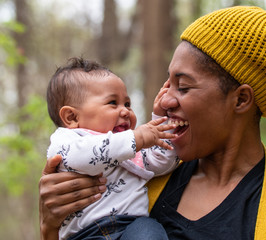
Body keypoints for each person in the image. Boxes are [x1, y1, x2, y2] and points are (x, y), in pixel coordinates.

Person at [39, 6, 266, 240]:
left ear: (241, 100)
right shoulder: (138, 176)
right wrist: (51, 226)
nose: (165, 101)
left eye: (183, 87)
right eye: (168, 84)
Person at [45, 57, 180, 240]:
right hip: (86, 234)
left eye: (127, 104)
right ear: (71, 117)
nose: (125, 111)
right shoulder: (67, 141)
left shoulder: (127, 146)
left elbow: (160, 161)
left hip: (132, 226)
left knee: (150, 232)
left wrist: (161, 120)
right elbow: (84, 158)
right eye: (112, 103)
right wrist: (135, 138)